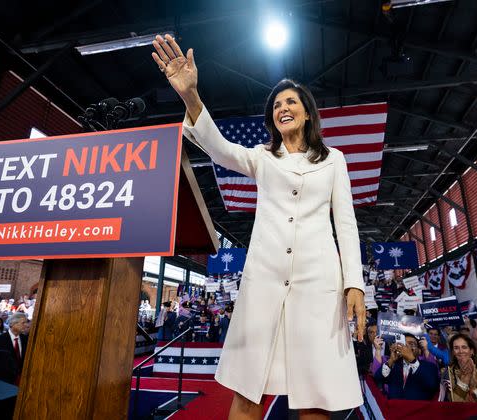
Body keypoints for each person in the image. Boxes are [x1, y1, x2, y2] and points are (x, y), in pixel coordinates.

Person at [152, 34, 366, 418]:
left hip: (318, 286)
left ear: (307, 113)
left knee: (316, 395)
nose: (283, 107)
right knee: (249, 390)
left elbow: (346, 225)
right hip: (264, 284)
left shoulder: (335, 160)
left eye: (291, 102)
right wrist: (190, 96)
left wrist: (355, 283)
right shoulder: (262, 158)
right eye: (277, 105)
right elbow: (219, 148)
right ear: (272, 118)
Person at [374, 334, 439, 400]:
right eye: (404, 344)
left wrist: (411, 360)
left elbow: (432, 385)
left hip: (418, 408)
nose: (406, 347)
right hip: (394, 408)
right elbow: (378, 379)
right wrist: (391, 360)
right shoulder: (394, 365)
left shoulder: (430, 366)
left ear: (419, 351)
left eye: (411, 344)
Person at [446, 333, 477, 402]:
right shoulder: (448, 374)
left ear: (472, 351)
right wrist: (464, 381)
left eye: (464, 347)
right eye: (456, 348)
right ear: (453, 352)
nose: (460, 351)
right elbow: (454, 403)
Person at [0, 312, 29, 384]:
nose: (26, 325)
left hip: (23, 381)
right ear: (12, 324)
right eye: (23, 323)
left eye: (26, 322)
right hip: (4, 382)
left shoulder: (27, 340)